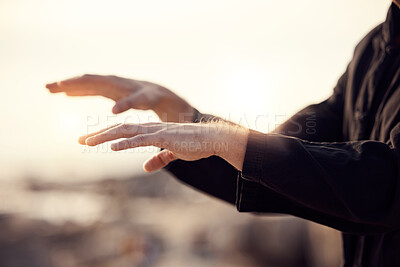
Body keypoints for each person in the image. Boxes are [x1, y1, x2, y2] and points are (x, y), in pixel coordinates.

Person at [46, 2, 400, 266]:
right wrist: (180, 114)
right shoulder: (373, 49)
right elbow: (277, 169)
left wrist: (226, 141)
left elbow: (389, 183)